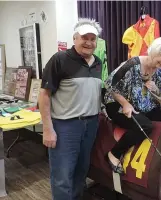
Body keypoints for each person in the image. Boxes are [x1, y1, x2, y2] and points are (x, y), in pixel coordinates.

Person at [38, 18, 103, 200]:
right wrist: (47, 129)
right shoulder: (60, 59)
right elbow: (44, 95)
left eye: (93, 39)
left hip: (91, 124)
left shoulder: (98, 62)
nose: (89, 42)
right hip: (65, 126)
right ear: (75, 38)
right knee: (62, 175)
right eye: (84, 37)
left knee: (81, 172)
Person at [104, 36, 161, 174]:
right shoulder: (132, 64)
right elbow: (109, 84)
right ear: (154, 51)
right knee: (145, 126)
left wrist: (156, 89)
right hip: (117, 103)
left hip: (142, 104)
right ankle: (114, 153)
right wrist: (125, 104)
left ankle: (159, 155)